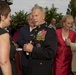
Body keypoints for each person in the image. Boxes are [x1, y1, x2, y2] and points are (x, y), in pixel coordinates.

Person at [23, 5, 57, 75]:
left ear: (43, 16)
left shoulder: (49, 31)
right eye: (33, 16)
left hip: (42, 70)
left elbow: (50, 52)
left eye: (36, 15)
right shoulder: (33, 31)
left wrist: (33, 49)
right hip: (31, 68)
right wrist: (27, 49)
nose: (34, 18)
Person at [0, 1, 17, 75]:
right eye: (9, 16)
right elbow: (4, 62)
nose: (10, 19)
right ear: (3, 17)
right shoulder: (3, 34)